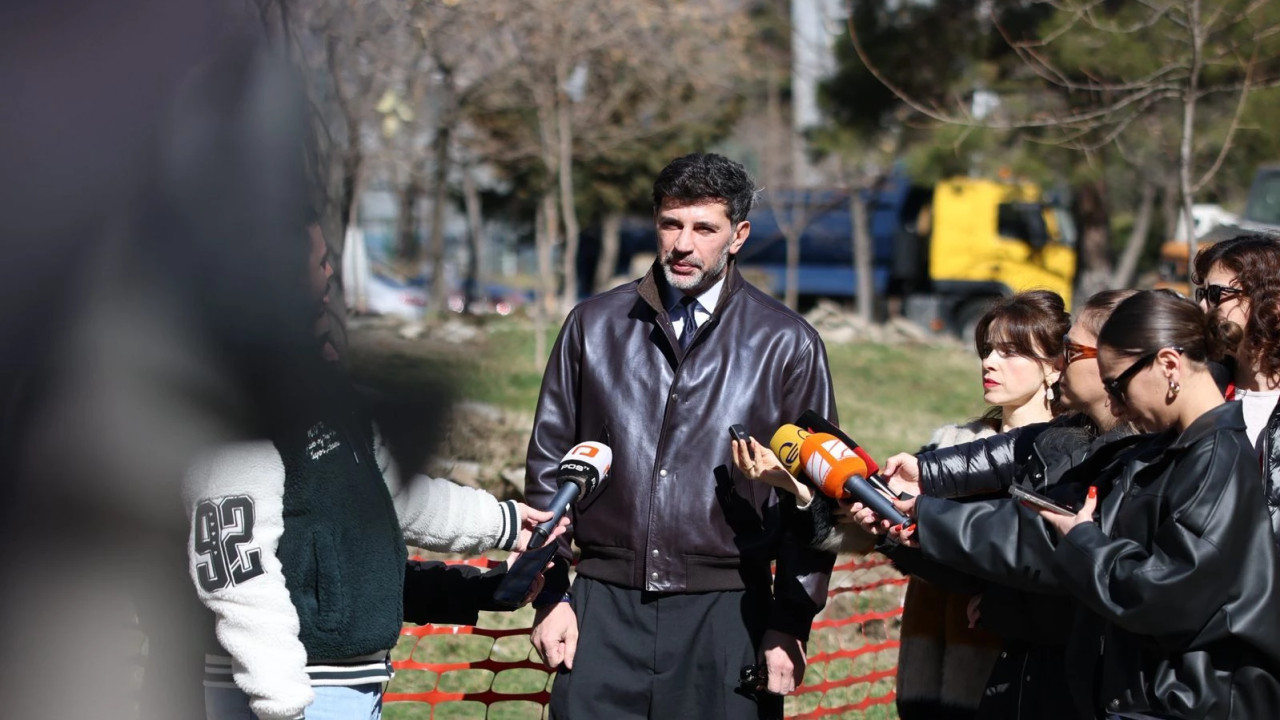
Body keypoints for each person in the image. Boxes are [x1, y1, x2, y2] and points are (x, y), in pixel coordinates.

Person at [186, 224, 562, 720]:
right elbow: (234, 567)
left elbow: (396, 497)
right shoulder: (241, 399)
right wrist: (280, 702)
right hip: (291, 694)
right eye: (320, 260)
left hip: (343, 686)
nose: (330, 273)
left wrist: (507, 523)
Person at [524, 152, 838, 719]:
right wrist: (550, 594)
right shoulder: (592, 325)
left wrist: (791, 620)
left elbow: (816, 497)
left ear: (738, 235)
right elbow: (550, 467)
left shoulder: (788, 344)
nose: (683, 244)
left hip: (729, 614)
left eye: (704, 228)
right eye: (671, 224)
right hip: (602, 607)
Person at [839, 290, 1140, 719]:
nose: (989, 363)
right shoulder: (959, 444)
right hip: (944, 670)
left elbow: (1024, 550)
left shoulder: (1099, 456)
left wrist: (914, 524)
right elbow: (998, 459)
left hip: (1009, 672)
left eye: (1011, 351)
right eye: (987, 350)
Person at [1027, 290, 1280, 718]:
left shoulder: (1215, 460)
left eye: (1117, 384)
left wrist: (1084, 542)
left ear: (1168, 365)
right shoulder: (1180, 450)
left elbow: (1163, 594)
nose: (1114, 403)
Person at [1191, 233, 1280, 537]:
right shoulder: (1200, 389)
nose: (1203, 308)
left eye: (1216, 294)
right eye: (1201, 294)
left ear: (1271, 301)